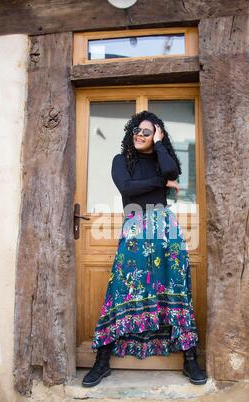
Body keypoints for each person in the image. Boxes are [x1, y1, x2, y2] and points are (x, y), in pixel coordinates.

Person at [82, 110, 207, 387]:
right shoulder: (121, 160)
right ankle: (102, 361)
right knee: (121, 289)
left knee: (176, 287)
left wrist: (161, 146)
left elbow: (173, 171)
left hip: (165, 229)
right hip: (136, 227)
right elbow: (128, 188)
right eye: (136, 130)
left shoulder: (165, 161)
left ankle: (190, 359)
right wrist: (162, 183)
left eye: (147, 132)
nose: (140, 134)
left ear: (157, 135)